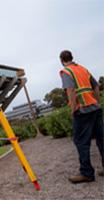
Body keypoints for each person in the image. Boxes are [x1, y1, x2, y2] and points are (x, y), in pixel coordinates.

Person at [59, 50, 104, 183]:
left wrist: (73, 110)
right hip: (95, 108)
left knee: (81, 141)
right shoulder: (83, 69)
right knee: (101, 138)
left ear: (61, 60)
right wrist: (97, 102)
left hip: (82, 111)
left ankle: (86, 173)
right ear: (72, 58)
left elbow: (71, 90)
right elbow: (96, 86)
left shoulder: (66, 72)